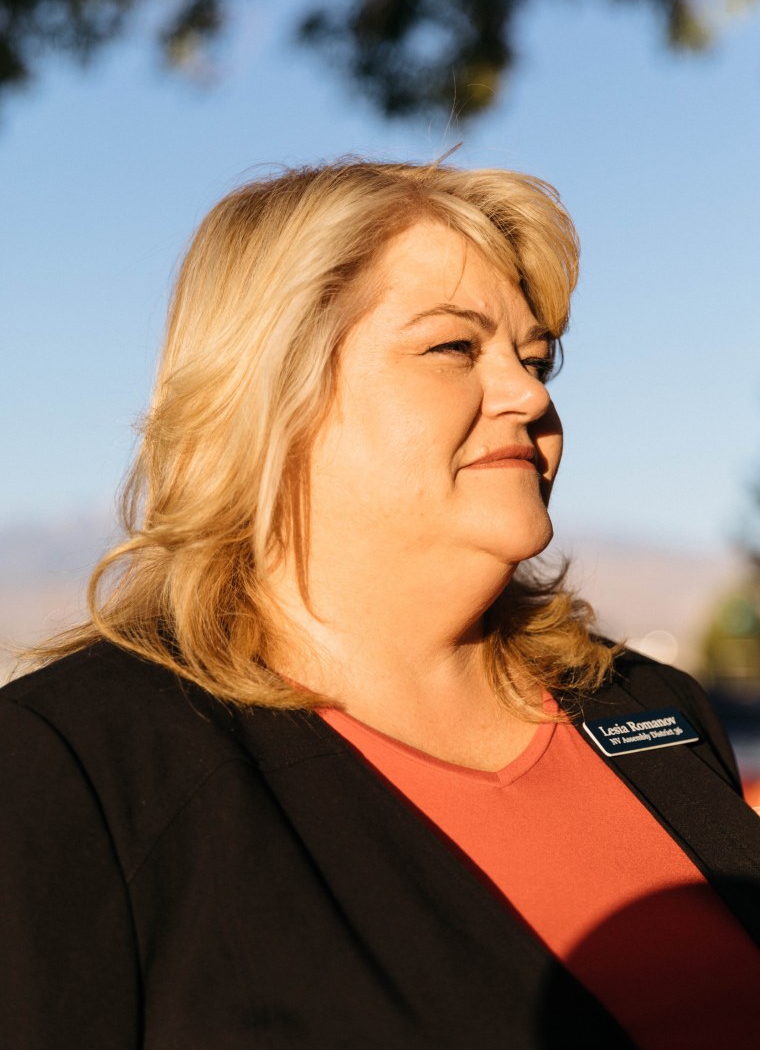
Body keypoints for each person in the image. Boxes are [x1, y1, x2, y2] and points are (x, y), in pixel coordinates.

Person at [2, 159, 759, 1050]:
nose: (532, 394)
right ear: (270, 394)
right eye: (452, 348)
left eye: (536, 355)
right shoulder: (74, 767)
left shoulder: (650, 705)